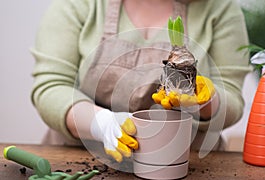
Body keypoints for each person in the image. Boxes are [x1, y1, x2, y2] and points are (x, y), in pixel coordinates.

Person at [31, 0, 250, 162]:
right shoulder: (81, 4)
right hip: (78, 159)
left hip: (189, 164)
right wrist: (102, 124)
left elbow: (231, 98)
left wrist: (206, 99)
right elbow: (52, 86)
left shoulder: (220, 8)